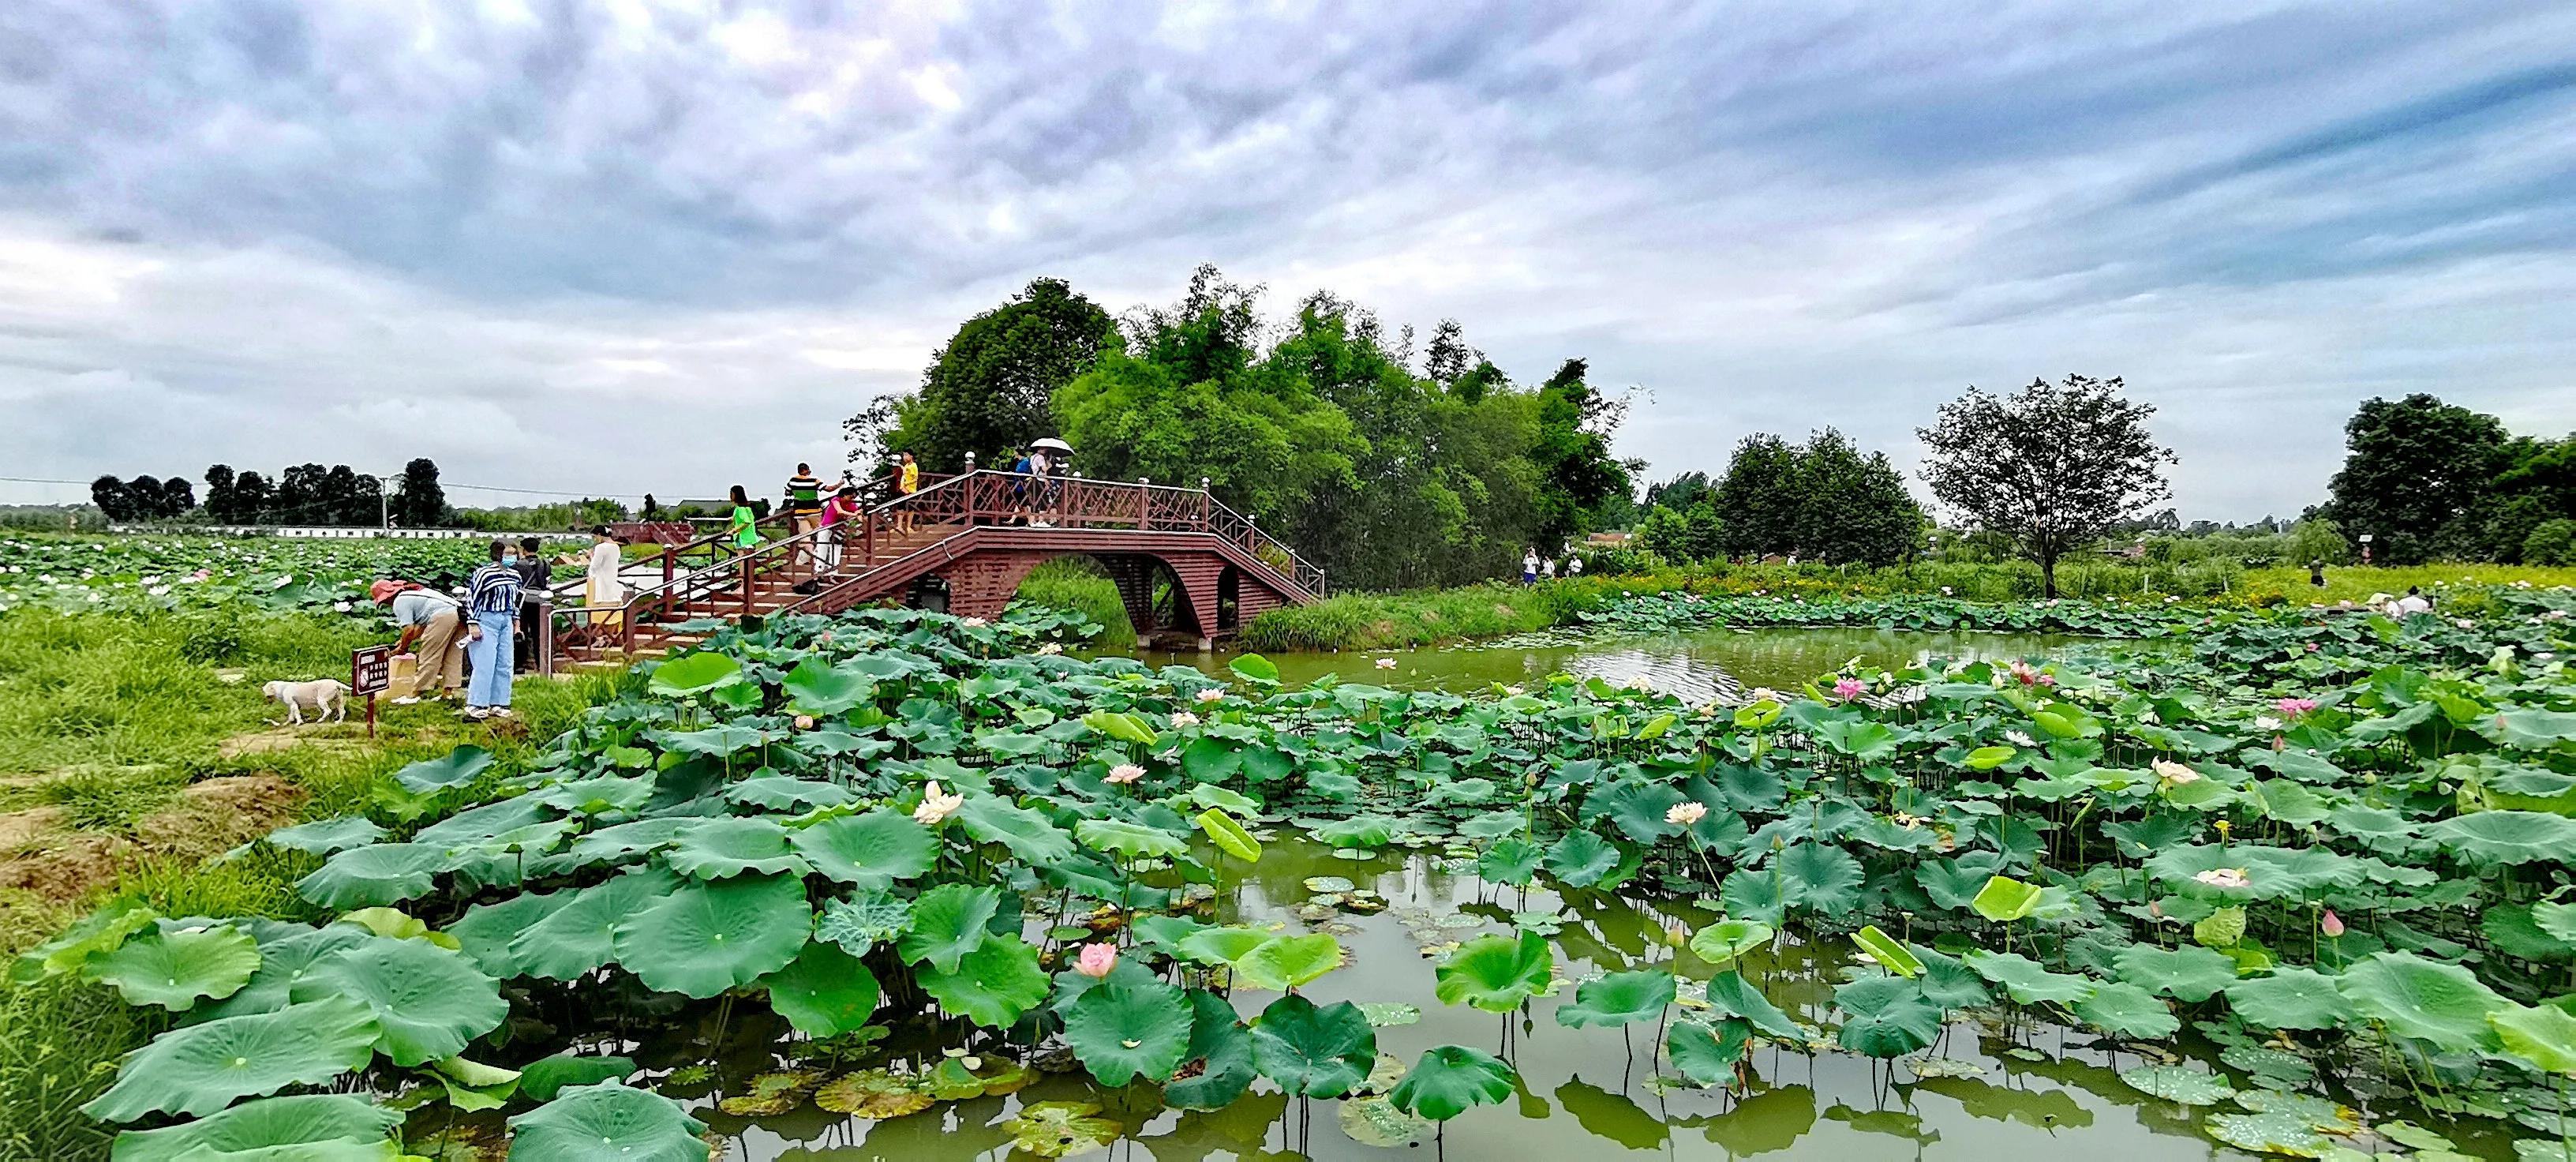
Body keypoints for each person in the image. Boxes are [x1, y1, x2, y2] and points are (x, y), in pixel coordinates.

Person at [375, 579, 463, 704]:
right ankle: (448, 693)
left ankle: (417, 694)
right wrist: (402, 642)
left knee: (429, 654)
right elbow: (420, 627)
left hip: (443, 616)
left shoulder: (400, 601)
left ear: (388, 597)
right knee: (452, 655)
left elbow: (409, 629)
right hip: (461, 614)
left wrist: (402, 648)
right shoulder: (414, 594)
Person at [463, 541, 524, 720]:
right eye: (507, 553)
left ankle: (500, 702)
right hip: (486, 619)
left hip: (506, 619)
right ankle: (476, 703)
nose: (511, 556)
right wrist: (473, 624)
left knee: (505, 663)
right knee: (484, 663)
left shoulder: (515, 575)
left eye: (514, 552)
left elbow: (515, 601)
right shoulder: (483, 573)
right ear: (498, 554)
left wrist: (516, 624)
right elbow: (473, 598)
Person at [514, 535, 553, 673]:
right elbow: (548, 582)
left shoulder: (518, 565)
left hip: (523, 602)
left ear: (523, 550)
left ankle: (519, 665)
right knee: (539, 633)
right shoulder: (545, 563)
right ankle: (540, 664)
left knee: (521, 632)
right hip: (541, 601)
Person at [784, 463, 825, 572]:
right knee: (822, 534)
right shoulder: (814, 480)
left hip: (800, 513)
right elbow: (828, 489)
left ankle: (810, 558)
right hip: (815, 512)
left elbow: (787, 492)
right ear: (807, 470)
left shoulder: (793, 480)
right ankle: (817, 557)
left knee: (805, 538)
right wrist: (839, 484)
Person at [582, 527, 626, 627]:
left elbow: (594, 566)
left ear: (599, 535)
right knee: (610, 610)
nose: (595, 539)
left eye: (595, 537)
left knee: (596, 610)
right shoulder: (616, 547)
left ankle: (599, 637)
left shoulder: (600, 548)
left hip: (599, 582)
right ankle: (609, 636)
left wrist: (591, 555)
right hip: (611, 580)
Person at [818, 485, 862, 572]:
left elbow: (858, 514)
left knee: (837, 548)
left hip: (839, 529)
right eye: (851, 497)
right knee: (822, 547)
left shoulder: (851, 505)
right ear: (845, 495)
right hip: (827, 526)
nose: (852, 499)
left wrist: (859, 515)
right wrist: (854, 515)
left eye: (854, 497)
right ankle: (819, 569)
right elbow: (839, 511)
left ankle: (833, 570)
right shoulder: (836, 500)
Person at [728, 485, 760, 553]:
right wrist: (734, 518)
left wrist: (734, 531)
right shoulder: (747, 508)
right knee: (749, 561)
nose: (730, 496)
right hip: (750, 538)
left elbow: (746, 522)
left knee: (743, 560)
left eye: (731, 494)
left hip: (743, 539)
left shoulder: (740, 509)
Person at [894, 452, 919, 534]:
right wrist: (902, 486)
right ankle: (899, 526)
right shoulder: (906, 466)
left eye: (906, 455)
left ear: (911, 456)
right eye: (904, 455)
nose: (904, 457)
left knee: (910, 508)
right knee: (901, 507)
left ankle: (908, 526)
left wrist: (907, 484)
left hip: (911, 490)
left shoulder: (913, 466)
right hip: (904, 489)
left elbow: (915, 478)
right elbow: (903, 477)